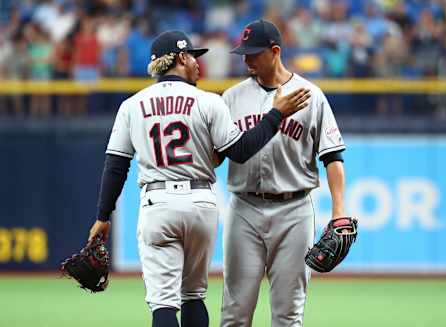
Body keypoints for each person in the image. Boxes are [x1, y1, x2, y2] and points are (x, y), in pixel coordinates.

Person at [87, 30, 310, 327]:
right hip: (201, 204)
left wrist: (103, 216)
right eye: (193, 56)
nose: (197, 63)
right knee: (193, 295)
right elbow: (241, 151)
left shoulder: (132, 105)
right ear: (180, 57)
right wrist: (275, 115)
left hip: (158, 203)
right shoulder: (208, 102)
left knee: (164, 303)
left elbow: (116, 166)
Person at [220, 20, 347, 327]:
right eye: (243, 53)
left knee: (288, 315)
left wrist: (339, 211)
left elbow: (332, 156)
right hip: (245, 209)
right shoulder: (232, 97)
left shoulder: (310, 95)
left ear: (275, 51)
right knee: (235, 312)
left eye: (254, 53)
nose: (246, 59)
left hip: (295, 210)